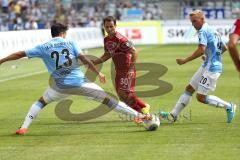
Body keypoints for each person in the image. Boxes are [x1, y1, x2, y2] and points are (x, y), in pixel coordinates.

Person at [0, 23, 149, 135]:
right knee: (108, 100)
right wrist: (98, 73)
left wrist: (2, 60)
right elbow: (83, 58)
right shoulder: (70, 43)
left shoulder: (43, 47)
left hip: (60, 86)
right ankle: (138, 116)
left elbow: (20, 54)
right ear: (63, 33)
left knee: (41, 102)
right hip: (80, 82)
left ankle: (24, 127)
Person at [159, 10, 236, 123]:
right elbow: (224, 47)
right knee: (189, 89)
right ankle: (173, 115)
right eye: (191, 21)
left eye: (194, 21)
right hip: (208, 64)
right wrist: (210, 56)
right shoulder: (211, 28)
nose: (193, 24)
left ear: (202, 19)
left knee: (200, 97)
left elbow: (201, 50)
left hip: (212, 68)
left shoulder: (203, 31)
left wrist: (185, 60)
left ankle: (229, 106)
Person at [92, 16, 150, 114]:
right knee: (121, 96)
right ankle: (143, 107)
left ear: (115, 26)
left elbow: (134, 52)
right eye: (107, 27)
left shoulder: (121, 39)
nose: (109, 29)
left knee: (125, 94)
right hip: (118, 71)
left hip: (127, 70)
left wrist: (131, 69)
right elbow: (107, 55)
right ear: (104, 27)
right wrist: (94, 62)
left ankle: (141, 113)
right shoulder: (106, 40)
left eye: (111, 26)